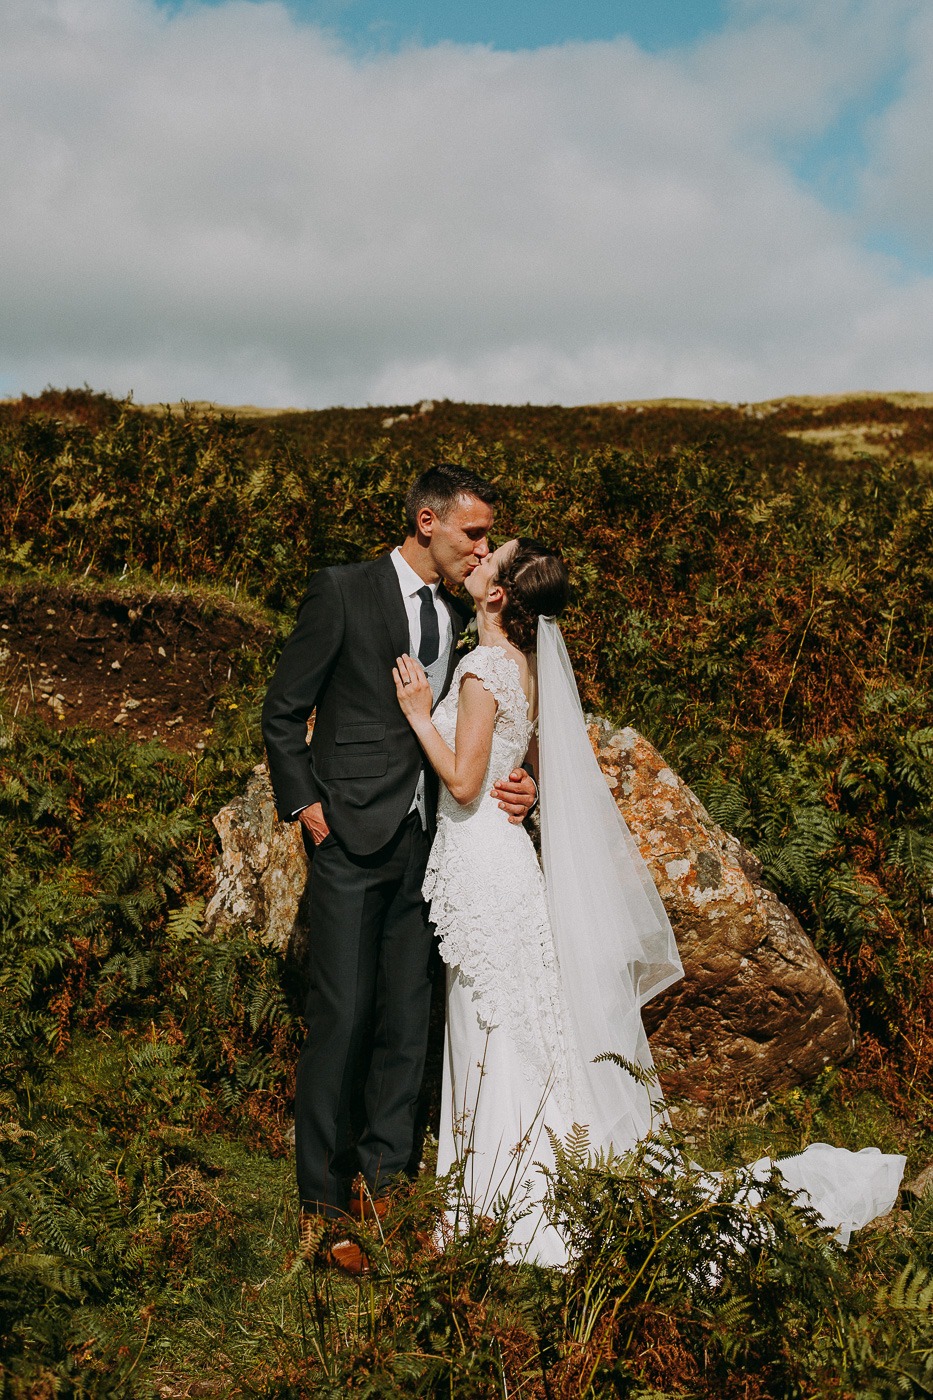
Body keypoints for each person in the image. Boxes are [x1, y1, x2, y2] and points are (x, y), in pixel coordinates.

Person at [394, 538, 906, 1267]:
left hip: (483, 867)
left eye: (489, 559)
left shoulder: (482, 668)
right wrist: (526, 780)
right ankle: (504, 1188)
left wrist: (417, 713)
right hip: (498, 864)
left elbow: (467, 783)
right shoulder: (527, 668)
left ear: (500, 594)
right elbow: (524, 760)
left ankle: (503, 1203)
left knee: (493, 1023)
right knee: (513, 1025)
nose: (474, 560)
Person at [261, 465, 538, 1271]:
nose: (480, 549)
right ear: (426, 522)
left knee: (406, 1024)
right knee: (343, 1017)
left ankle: (388, 1191)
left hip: (433, 848)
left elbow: (477, 730)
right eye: (472, 534)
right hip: (347, 840)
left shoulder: (461, 616)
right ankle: (322, 1205)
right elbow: (283, 710)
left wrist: (516, 782)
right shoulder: (342, 590)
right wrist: (304, 806)